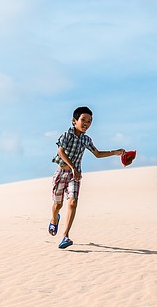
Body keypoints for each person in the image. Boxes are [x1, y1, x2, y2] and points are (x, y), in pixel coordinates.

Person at [49, 106, 125, 249]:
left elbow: (97, 154)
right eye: (83, 120)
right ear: (74, 120)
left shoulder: (86, 139)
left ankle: (65, 236)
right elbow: (60, 152)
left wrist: (114, 152)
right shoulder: (67, 134)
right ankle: (54, 219)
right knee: (57, 205)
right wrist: (72, 167)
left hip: (74, 176)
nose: (86, 123)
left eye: (89, 121)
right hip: (61, 173)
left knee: (73, 202)